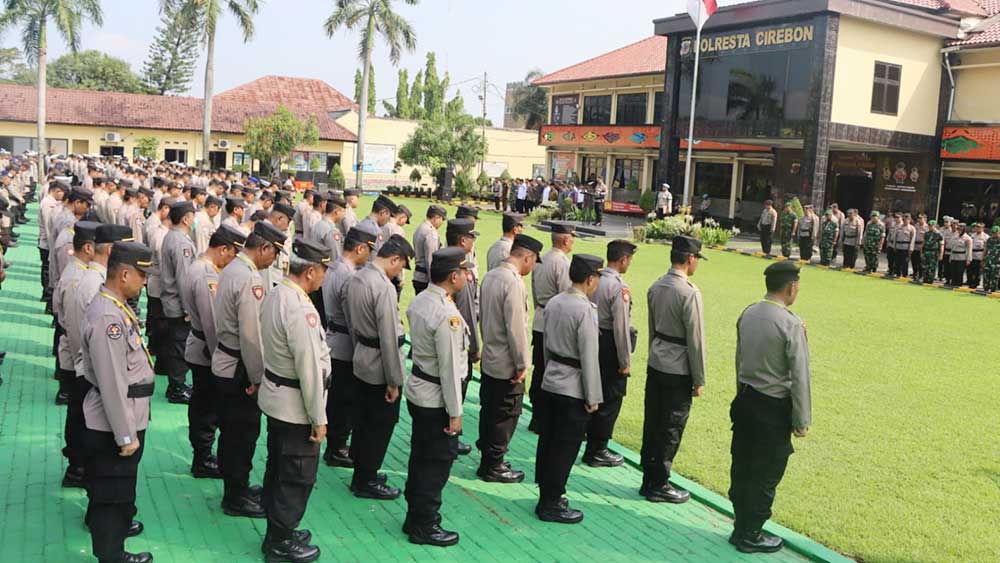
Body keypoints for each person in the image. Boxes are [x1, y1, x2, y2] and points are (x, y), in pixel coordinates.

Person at [80, 241, 157, 563]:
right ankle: (111, 556)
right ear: (124, 274)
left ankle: (114, 544)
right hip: (115, 420)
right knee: (111, 493)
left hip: (127, 413)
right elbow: (112, 382)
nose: (145, 282)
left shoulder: (116, 306)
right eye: (142, 275)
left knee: (119, 489)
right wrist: (125, 435)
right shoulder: (108, 318)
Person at [729, 261, 812, 554]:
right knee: (766, 472)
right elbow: (800, 376)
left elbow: (739, 360)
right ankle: (751, 533)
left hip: (745, 400)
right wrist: (801, 419)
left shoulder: (748, 313)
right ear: (791, 287)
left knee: (742, 465)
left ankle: (741, 526)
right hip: (773, 408)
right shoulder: (791, 324)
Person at [257, 239, 331, 563]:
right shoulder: (301, 309)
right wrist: (318, 418)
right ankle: (280, 540)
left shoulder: (277, 293)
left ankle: (278, 529)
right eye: (323, 270)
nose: (324, 277)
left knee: (279, 468)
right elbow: (310, 369)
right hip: (295, 407)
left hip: (277, 397)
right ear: (311, 271)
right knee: (296, 476)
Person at [212, 221, 286, 518]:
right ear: (264, 248)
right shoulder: (249, 278)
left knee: (232, 432)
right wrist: (257, 378)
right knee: (241, 435)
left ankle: (236, 486)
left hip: (227, 361)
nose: (274, 261)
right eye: (274, 254)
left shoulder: (233, 268)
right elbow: (252, 336)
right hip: (239, 368)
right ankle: (235, 495)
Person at [402, 247, 474, 547]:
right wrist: (455, 412)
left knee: (420, 457)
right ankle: (425, 525)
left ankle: (415, 516)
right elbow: (449, 368)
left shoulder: (422, 300)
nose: (468, 276)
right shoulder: (447, 315)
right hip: (436, 398)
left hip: (420, 390)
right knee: (435, 464)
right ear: (453, 276)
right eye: (465, 271)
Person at [533, 253, 604, 524]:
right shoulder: (585, 309)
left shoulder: (555, 302)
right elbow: (588, 355)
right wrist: (593, 396)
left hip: (552, 378)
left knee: (548, 441)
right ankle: (551, 501)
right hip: (573, 385)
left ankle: (546, 495)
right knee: (565, 447)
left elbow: (546, 345)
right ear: (590, 279)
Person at [343, 234, 415, 500]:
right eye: (401, 265)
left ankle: (361, 472)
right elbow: (388, 336)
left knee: (362, 420)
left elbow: (352, 322)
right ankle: (366, 478)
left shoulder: (358, 277)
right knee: (379, 425)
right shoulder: (383, 286)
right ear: (394, 259)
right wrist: (394, 380)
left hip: (362, 355)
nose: (399, 272)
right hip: (380, 364)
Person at [640, 236, 706, 503]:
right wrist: (699, 378)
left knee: (653, 421)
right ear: (690, 258)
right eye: (697, 259)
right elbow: (695, 339)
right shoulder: (689, 292)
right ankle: (659, 483)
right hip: (678, 367)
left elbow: (652, 328)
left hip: (657, 360)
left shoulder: (656, 285)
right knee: (671, 426)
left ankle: (648, 478)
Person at [181, 225, 246, 480]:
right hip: (207, 352)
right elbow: (212, 325)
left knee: (204, 405)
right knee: (206, 408)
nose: (232, 261)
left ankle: (203, 455)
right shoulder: (206, 275)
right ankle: (203, 458)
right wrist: (221, 358)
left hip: (202, 349)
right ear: (223, 249)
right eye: (233, 254)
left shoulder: (201, 267)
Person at [476, 234, 543, 484]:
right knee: (506, 415)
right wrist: (522, 363)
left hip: (491, 354)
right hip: (507, 361)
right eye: (534, 262)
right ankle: (494, 464)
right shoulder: (513, 283)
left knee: (489, 410)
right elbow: (516, 329)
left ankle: (488, 460)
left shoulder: (491, 275)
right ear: (528, 258)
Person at [320, 228, 375, 468]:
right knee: (345, 400)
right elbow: (353, 319)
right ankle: (338, 447)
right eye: (369, 250)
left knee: (337, 398)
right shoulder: (349, 275)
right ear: (360, 248)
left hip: (332, 336)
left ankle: (335, 445)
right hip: (345, 343)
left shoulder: (333, 266)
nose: (369, 255)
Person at [584, 240, 637, 468]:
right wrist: (625, 361)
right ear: (623, 260)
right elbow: (621, 328)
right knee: (610, 399)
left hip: (591, 339)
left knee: (591, 392)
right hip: (609, 345)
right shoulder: (618, 287)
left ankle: (589, 442)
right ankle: (598, 449)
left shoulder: (594, 279)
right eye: (629, 260)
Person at [528, 223, 575, 433]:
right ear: (565, 239)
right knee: (552, 370)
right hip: (554, 321)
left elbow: (535, 291)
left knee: (539, 368)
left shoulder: (541, 259)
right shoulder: (562, 263)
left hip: (540, 316)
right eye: (572, 238)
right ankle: (546, 419)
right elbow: (566, 297)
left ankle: (537, 417)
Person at [445, 218, 480, 456]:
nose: (473, 241)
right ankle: (451, 439)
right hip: (458, 339)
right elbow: (467, 312)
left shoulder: (443, 260)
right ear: (462, 240)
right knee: (456, 391)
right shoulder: (460, 271)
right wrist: (474, 347)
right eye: (471, 237)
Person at [159, 200, 198, 404]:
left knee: (176, 343)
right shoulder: (180, 241)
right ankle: (177, 387)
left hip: (173, 300)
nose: (194, 220)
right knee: (179, 346)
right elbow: (184, 278)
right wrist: (188, 307)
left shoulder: (173, 236)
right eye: (192, 216)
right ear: (185, 219)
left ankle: (176, 384)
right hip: (178, 303)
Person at [412, 205, 447, 295]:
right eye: (442, 219)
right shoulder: (431, 232)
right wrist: (434, 282)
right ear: (436, 217)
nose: (442, 223)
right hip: (426, 279)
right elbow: (431, 259)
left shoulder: (420, 228)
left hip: (418, 276)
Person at [947, 223, 972, 287]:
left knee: (959, 272)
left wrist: (968, 259)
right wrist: (950, 257)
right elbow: (952, 247)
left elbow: (969, 249)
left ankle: (958, 285)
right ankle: (953, 284)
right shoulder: (955, 236)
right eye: (958, 229)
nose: (959, 231)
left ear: (964, 230)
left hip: (961, 257)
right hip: (954, 256)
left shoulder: (967, 238)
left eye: (960, 229)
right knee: (953, 272)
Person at [890, 214, 915, 278]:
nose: (904, 221)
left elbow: (912, 239)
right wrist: (894, 246)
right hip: (898, 246)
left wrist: (911, 248)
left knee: (905, 262)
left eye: (906, 219)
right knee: (897, 261)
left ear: (909, 220)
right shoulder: (898, 227)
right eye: (903, 219)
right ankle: (898, 273)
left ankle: (904, 275)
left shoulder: (911, 228)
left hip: (906, 247)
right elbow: (895, 237)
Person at [921, 220, 944, 284]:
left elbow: (942, 245)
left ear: (934, 226)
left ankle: (930, 280)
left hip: (934, 252)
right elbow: (923, 243)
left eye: (931, 225)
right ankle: (925, 279)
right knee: (925, 266)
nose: (929, 227)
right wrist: (921, 252)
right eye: (929, 225)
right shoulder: (926, 233)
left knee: (932, 267)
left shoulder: (939, 234)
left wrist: (941, 254)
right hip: (926, 251)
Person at [968, 222, 988, 289]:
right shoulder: (972, 235)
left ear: (983, 228)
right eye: (976, 227)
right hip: (972, 254)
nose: (977, 228)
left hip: (980, 255)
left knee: (978, 271)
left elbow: (986, 248)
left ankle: (976, 283)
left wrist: (984, 257)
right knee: (971, 270)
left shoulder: (986, 237)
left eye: (979, 227)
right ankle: (970, 282)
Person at [911, 214, 929, 280]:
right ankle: (915, 274)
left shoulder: (927, 227)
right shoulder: (916, 225)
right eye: (919, 218)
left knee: (921, 262)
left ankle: (921, 276)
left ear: (925, 219)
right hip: (915, 245)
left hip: (922, 246)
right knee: (914, 261)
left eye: (921, 218)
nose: (919, 219)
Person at [983, 226, 1000, 293]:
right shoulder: (989, 239)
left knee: (994, 276)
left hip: (997, 261)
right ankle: (986, 288)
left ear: (999, 232)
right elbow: (986, 249)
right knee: (986, 275)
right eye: (993, 232)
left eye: (995, 232)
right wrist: (983, 259)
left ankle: (993, 289)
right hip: (988, 260)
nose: (994, 234)